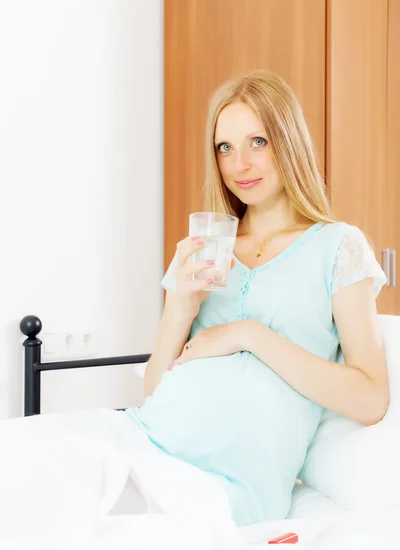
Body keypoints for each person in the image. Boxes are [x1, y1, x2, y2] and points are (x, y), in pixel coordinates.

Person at [124, 70, 389, 526]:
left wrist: (249, 335)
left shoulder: (339, 247)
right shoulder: (204, 251)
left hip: (228, 487)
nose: (239, 164)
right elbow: (153, 391)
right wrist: (181, 307)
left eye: (258, 142)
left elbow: (370, 400)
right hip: (147, 444)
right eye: (225, 147)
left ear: (289, 142)